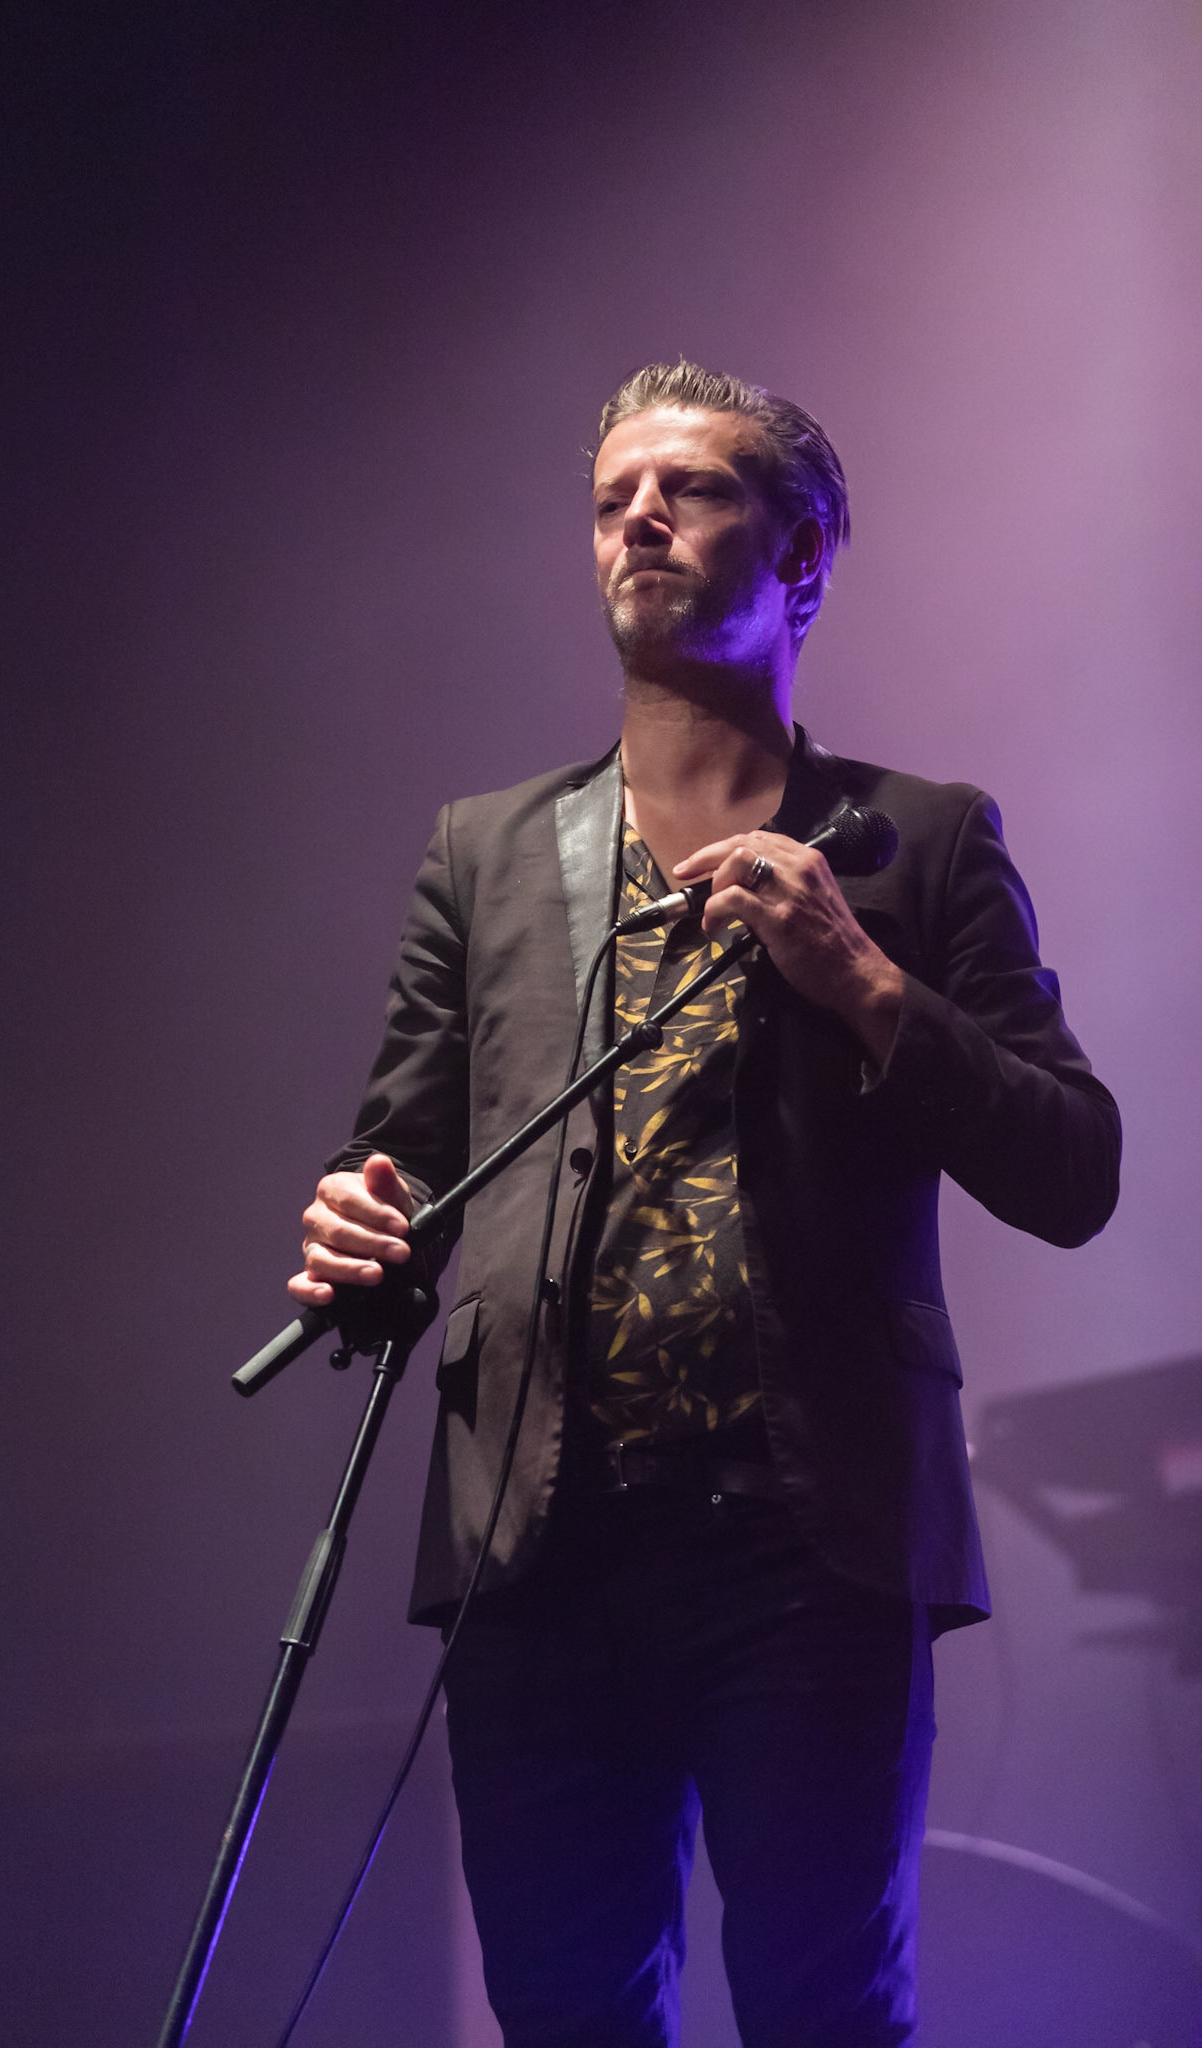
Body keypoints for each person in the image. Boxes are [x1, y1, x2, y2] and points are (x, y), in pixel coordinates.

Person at [288, 362, 1120, 2046]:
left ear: (801, 554)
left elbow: (1070, 1168)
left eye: (690, 490)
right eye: (612, 499)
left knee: (822, 2003)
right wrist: (356, 1249)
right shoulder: (488, 856)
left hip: (806, 1541)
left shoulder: (921, 840)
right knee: (565, 2008)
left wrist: (861, 979)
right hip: (539, 1544)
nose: (639, 520)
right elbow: (406, 1189)